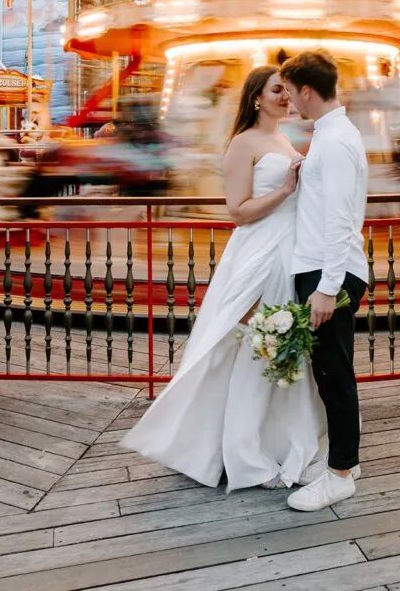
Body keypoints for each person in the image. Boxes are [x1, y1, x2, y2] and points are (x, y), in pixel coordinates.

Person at [120, 66, 325, 490]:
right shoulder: (243, 143)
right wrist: (286, 190)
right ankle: (242, 449)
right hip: (260, 251)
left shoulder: (282, 139)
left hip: (287, 249)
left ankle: (276, 440)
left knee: (279, 346)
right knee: (252, 345)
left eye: (287, 90)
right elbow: (238, 211)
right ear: (255, 97)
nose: (285, 97)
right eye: (276, 90)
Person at [279, 51, 368, 511]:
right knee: (331, 372)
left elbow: (338, 221)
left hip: (328, 269)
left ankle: (339, 476)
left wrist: (328, 287)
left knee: (333, 375)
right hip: (326, 266)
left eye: (291, 92)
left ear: (307, 91)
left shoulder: (334, 143)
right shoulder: (334, 136)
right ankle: (343, 462)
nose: (290, 101)